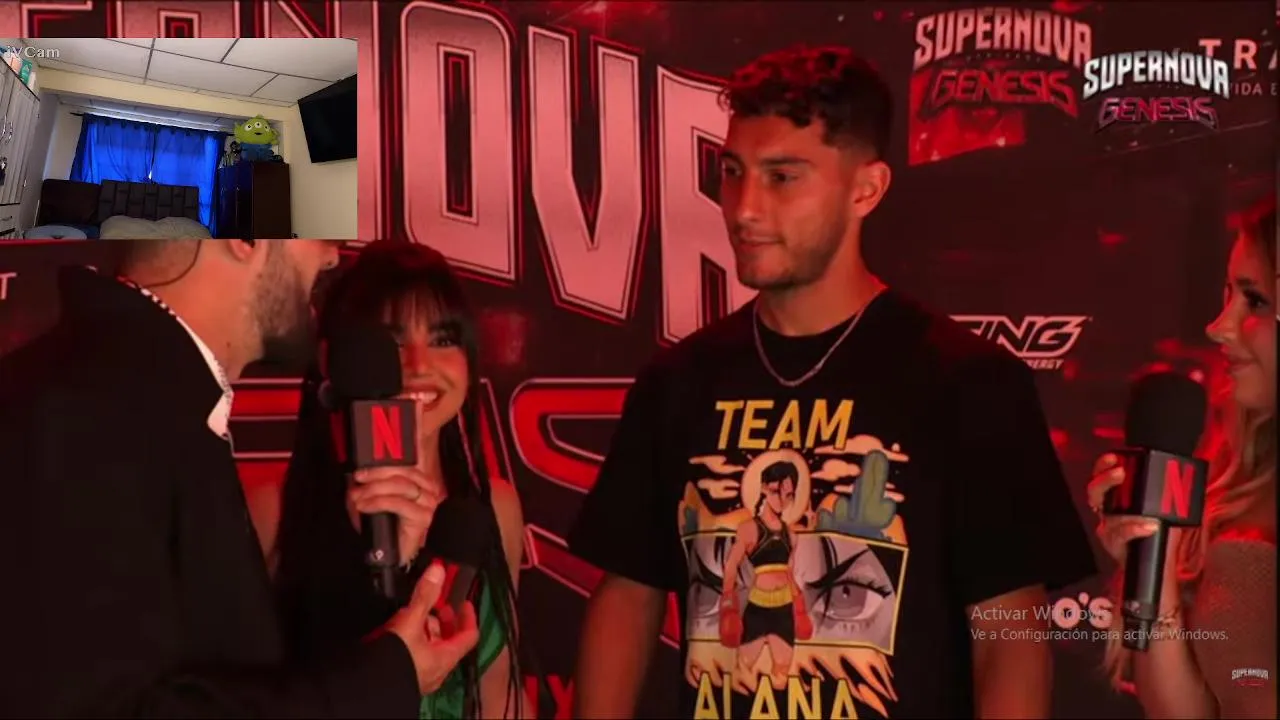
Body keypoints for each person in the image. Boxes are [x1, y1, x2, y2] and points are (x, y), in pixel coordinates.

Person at [567, 45, 1098, 719]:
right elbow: (627, 596)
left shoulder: (969, 384)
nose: (744, 208)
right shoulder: (678, 382)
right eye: (733, 172)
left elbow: (1009, 631)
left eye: (782, 177)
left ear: (866, 190)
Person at [0, 240, 479, 717]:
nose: (332, 255)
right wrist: (383, 678)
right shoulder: (81, 410)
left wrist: (381, 623)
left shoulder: (155, 404)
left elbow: (222, 684)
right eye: (318, 231)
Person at [272, 240, 530, 719]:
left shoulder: (495, 507)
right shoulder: (273, 511)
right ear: (336, 361)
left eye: (443, 339)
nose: (418, 365)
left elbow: (500, 694)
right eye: (390, 342)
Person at [1089, 199, 1276, 719]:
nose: (1219, 326)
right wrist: (1153, 553)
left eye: (1255, 300)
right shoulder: (1237, 479)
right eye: (1227, 295)